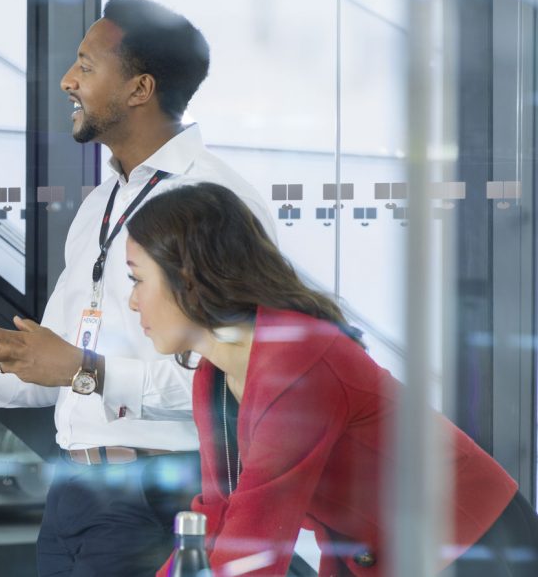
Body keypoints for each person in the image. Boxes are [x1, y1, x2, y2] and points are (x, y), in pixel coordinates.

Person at [0, 0, 276, 575]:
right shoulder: (99, 204)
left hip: (164, 494)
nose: (67, 80)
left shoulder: (218, 202)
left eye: (86, 64)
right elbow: (58, 366)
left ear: (139, 88)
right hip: (72, 491)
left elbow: (237, 373)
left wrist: (85, 367)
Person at [123, 182, 538, 576]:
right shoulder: (214, 374)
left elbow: (255, 540)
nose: (132, 301)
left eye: (137, 279)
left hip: (469, 545)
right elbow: (217, 517)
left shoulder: (297, 363)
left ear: (188, 277)